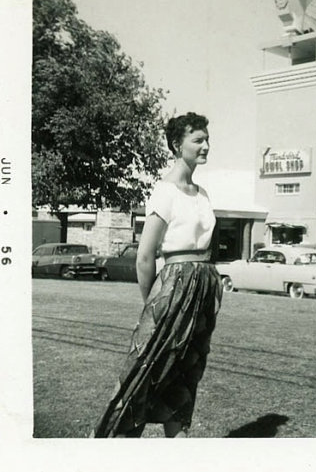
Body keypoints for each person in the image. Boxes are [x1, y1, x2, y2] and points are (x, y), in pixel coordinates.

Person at [92, 112, 222, 438]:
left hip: (204, 286)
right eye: (198, 140)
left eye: (207, 139)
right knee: (145, 366)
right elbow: (145, 256)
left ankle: (177, 437)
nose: (206, 145)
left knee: (187, 367)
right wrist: (153, 303)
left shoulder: (202, 193)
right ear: (178, 145)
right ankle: (109, 440)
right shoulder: (165, 192)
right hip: (174, 285)